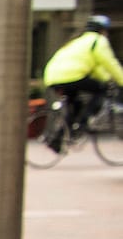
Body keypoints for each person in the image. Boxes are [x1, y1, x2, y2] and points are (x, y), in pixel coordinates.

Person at [41, 15, 122, 152]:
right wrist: (118, 80)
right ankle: (83, 123)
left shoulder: (78, 41)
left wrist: (105, 77)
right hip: (71, 76)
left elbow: (96, 68)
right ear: (103, 30)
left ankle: (58, 139)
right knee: (100, 90)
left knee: (74, 104)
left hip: (52, 77)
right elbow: (110, 63)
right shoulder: (98, 41)